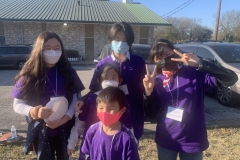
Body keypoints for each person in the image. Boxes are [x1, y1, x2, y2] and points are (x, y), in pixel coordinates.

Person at [143, 39, 238, 160]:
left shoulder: (194, 73)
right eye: (159, 58)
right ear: (155, 62)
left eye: (167, 54)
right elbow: (151, 113)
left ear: (175, 53)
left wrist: (201, 64)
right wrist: (148, 92)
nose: (165, 59)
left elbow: (231, 79)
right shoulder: (157, 81)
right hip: (166, 138)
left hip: (193, 139)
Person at [12, 31, 85, 160]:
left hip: (65, 126)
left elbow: (76, 97)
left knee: (64, 157)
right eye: (48, 48)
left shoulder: (68, 71)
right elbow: (17, 104)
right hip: (41, 129)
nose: (53, 51)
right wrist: (34, 111)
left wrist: (66, 118)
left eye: (57, 48)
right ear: (39, 50)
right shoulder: (29, 74)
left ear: (62, 49)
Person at [75, 22, 146, 140]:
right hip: (109, 118)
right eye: (117, 38)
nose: (121, 43)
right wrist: (83, 99)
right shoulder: (102, 64)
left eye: (125, 39)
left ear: (130, 42)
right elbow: (95, 89)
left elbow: (145, 90)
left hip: (133, 117)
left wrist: (149, 89)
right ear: (110, 40)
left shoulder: (138, 62)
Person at [67, 64, 133, 158]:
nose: (110, 81)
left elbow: (129, 127)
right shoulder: (92, 98)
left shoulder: (122, 101)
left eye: (113, 78)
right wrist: (71, 142)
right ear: (99, 80)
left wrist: (132, 143)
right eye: (106, 78)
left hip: (114, 146)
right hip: (90, 144)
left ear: (120, 80)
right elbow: (80, 123)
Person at [81, 86, 139, 160]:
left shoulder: (127, 139)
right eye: (101, 108)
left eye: (111, 109)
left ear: (122, 110)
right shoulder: (92, 131)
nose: (105, 112)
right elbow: (86, 153)